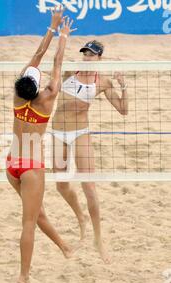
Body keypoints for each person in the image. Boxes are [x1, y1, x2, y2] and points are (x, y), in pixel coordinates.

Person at [6, 6, 77, 283]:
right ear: (38, 87)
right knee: (28, 222)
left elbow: (38, 55)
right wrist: (64, 35)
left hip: (11, 165)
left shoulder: (16, 96)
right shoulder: (47, 98)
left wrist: (50, 27)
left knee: (37, 214)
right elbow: (57, 61)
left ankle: (64, 246)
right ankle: (24, 275)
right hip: (32, 168)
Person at [52, 40, 129, 264]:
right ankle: (80, 216)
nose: (87, 57)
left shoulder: (102, 82)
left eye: (91, 55)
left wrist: (124, 86)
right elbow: (56, 63)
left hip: (80, 132)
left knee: (89, 186)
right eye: (85, 54)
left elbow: (123, 110)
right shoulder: (68, 73)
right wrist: (61, 38)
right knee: (61, 185)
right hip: (58, 132)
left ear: (99, 58)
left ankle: (98, 240)